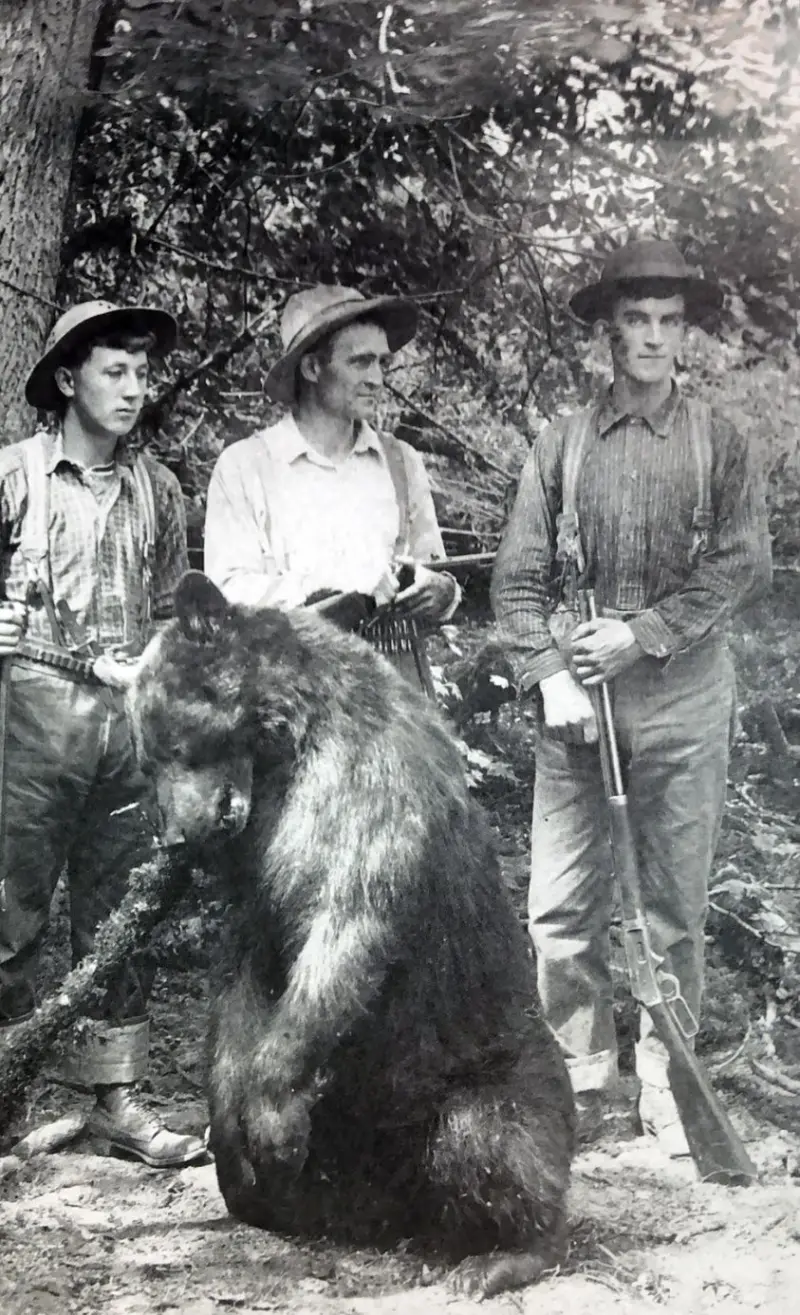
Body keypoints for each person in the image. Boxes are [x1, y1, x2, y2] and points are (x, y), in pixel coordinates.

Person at [491, 238, 771, 1155]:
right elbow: (517, 582)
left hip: (684, 702)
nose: (653, 337)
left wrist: (642, 632)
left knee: (673, 908)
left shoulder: (720, 442)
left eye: (669, 321)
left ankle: (667, 1078)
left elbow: (743, 565)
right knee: (560, 909)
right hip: (579, 709)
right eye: (637, 320)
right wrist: (552, 673)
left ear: (685, 332)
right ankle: (576, 1080)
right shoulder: (561, 445)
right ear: (608, 332)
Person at [0, 300, 206, 1168]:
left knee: (122, 916)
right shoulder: (15, 475)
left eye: (143, 374)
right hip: (30, 715)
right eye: (114, 371)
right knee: (9, 914)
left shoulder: (158, 490)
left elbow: (170, 611)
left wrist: (157, 668)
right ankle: (3, 1106)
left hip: (130, 722)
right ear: (67, 378)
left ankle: (116, 1099)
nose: (133, 389)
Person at [203, 285, 459, 678]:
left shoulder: (401, 462)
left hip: (395, 688)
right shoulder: (246, 468)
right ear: (312, 368)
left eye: (382, 363)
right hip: (289, 688)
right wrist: (338, 587)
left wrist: (442, 592)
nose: (377, 379)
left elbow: (434, 569)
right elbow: (227, 598)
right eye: (360, 362)